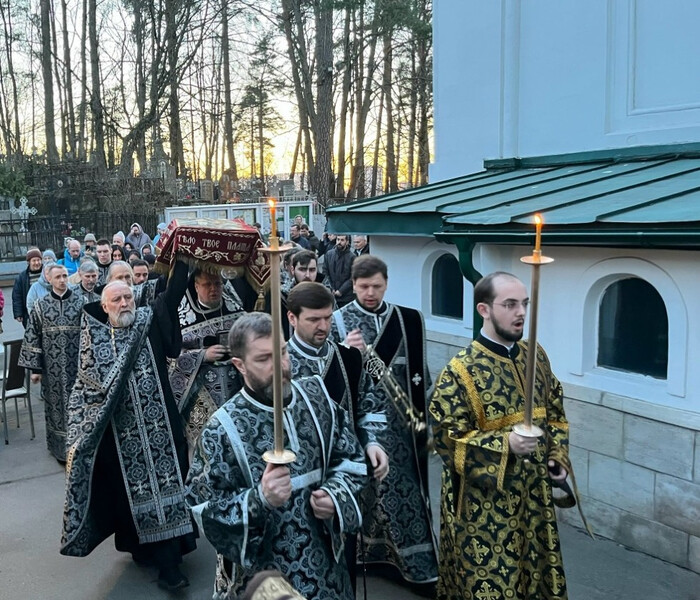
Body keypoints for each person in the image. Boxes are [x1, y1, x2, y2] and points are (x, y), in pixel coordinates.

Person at [186, 312, 368, 600]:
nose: (280, 366)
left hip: (327, 576)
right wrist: (259, 500)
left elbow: (350, 458)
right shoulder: (222, 429)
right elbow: (204, 509)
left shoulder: (317, 397)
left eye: (282, 352)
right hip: (263, 581)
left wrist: (336, 495)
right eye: (263, 359)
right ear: (240, 365)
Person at [428, 271, 572, 600]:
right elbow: (446, 439)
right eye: (509, 304)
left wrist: (557, 457)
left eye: (525, 304)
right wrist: (505, 444)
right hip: (483, 513)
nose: (520, 313)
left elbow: (555, 412)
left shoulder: (536, 356)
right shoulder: (459, 371)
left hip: (535, 503)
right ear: (484, 309)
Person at [60, 264, 196, 591]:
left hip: (163, 430)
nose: (125, 304)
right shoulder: (94, 339)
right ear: (104, 306)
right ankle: (145, 550)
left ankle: (170, 566)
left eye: (128, 297)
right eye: (117, 300)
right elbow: (87, 389)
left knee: (169, 491)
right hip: (121, 439)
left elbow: (173, 294)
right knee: (130, 499)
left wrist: (182, 257)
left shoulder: (149, 322)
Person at [330, 254, 438, 592]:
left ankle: (411, 563)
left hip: (402, 427)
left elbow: (421, 377)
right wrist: (347, 352)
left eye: (376, 286)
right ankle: (366, 556)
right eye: (363, 287)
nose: (370, 293)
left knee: (405, 494)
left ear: (386, 284)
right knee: (367, 492)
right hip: (360, 426)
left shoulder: (408, 320)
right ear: (353, 285)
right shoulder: (338, 322)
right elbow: (329, 378)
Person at [286, 282, 388, 589]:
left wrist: (372, 442)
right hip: (300, 488)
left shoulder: (350, 358)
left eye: (328, 317)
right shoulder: (278, 364)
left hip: (345, 479)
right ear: (292, 318)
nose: (323, 326)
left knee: (344, 569)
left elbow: (368, 405)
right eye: (313, 319)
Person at [169, 269, 245, 448]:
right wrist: (202, 355)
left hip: (235, 390)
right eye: (207, 284)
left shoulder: (237, 313)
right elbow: (171, 358)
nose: (213, 289)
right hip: (199, 395)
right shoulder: (181, 320)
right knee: (203, 446)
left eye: (217, 284)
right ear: (196, 286)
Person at [19, 264, 83, 462]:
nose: (62, 280)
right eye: (58, 277)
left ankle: (79, 446)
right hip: (51, 368)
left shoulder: (81, 302)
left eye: (64, 276)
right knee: (54, 407)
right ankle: (59, 449)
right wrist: (35, 369)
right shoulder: (40, 305)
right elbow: (32, 336)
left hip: (77, 366)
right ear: (49, 279)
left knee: (78, 405)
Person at [12, 248, 44, 327]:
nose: (37, 263)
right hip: (29, 313)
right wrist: (18, 313)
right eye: (34, 260)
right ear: (28, 262)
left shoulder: (47, 273)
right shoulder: (22, 277)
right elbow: (17, 296)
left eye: (38, 260)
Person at [323, 234, 355, 307]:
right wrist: (331, 288)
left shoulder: (352, 257)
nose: (339, 242)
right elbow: (325, 273)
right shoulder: (329, 254)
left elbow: (352, 277)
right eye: (338, 239)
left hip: (346, 297)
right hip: (331, 295)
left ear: (347, 242)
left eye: (342, 240)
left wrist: (341, 290)